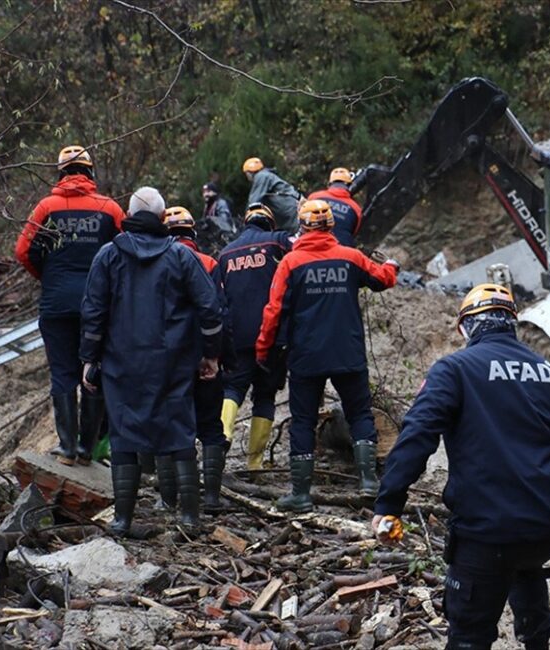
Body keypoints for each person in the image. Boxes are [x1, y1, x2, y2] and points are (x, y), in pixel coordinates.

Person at [373, 284, 550, 650]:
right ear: (511, 323)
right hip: (548, 526)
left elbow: (417, 435)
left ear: (466, 327)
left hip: (488, 532)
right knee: (524, 562)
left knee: (469, 633)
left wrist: (389, 504)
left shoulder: (455, 369)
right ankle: (536, 635)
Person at [80, 187, 223, 535]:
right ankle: (189, 517)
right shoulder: (180, 256)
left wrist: (89, 358)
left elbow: (93, 312)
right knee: (179, 432)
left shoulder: (107, 256)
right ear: (163, 219)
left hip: (120, 364)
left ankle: (122, 519)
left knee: (123, 435)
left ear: (128, 215)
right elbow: (210, 307)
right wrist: (211, 353)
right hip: (173, 361)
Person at [255, 199, 398, 509]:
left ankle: (301, 494)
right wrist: (392, 266)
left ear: (302, 226)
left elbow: (273, 311)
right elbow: (382, 279)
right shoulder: (351, 257)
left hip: (307, 355)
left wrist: (263, 349)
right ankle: (369, 483)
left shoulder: (290, 264)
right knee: (360, 414)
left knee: (303, 421)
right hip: (348, 351)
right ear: (331, 225)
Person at [15, 145, 125, 466]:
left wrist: (48, 277)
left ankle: (65, 448)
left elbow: (23, 251)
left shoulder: (46, 207)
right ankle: (86, 449)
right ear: (90, 172)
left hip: (56, 303)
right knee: (94, 372)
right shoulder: (110, 208)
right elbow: (126, 251)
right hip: (99, 306)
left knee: (63, 373)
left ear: (61, 172)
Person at [217, 203, 292, 470]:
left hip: (237, 336)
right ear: (270, 223)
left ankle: (223, 435)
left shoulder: (226, 253)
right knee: (265, 396)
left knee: (232, 388)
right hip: (272, 335)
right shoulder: (279, 241)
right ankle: (255, 463)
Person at [165, 206, 230, 512]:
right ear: (192, 233)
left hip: (168, 359)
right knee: (211, 426)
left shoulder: (157, 263)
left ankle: (172, 499)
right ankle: (212, 498)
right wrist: (214, 354)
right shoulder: (209, 262)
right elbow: (219, 311)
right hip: (205, 357)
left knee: (171, 426)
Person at [306, 167, 362, 247]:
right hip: (342, 253)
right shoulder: (356, 209)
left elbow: (302, 221)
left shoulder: (314, 197)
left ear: (330, 184)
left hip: (312, 246)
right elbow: (354, 232)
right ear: (350, 185)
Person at [243, 157, 301, 232]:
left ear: (249, 172)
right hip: (290, 209)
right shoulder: (266, 175)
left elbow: (254, 202)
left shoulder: (261, 176)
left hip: (290, 210)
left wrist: (246, 219)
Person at [198, 182, 237, 253]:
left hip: (223, 238)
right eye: (204, 192)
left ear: (215, 192)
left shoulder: (221, 203)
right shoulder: (207, 206)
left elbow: (223, 221)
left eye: (208, 192)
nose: (205, 194)